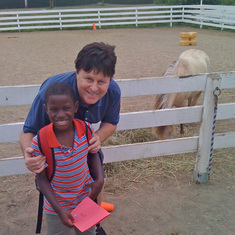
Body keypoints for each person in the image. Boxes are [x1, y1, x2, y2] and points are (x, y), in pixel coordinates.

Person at [20, 42, 121, 235]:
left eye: (101, 81)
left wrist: (97, 138)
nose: (94, 88)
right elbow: (28, 130)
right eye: (88, 79)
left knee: (97, 177)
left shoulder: (113, 92)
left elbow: (111, 122)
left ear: (110, 79)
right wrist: (30, 156)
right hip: (54, 150)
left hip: (85, 143)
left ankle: (92, 223)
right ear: (77, 72)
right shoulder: (53, 93)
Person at [32, 82, 104, 235]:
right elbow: (42, 180)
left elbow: (92, 154)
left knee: (88, 233)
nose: (60, 114)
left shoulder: (85, 129)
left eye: (66, 108)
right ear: (46, 110)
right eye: (53, 109)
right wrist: (59, 210)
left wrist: (99, 179)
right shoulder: (40, 140)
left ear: (75, 107)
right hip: (56, 206)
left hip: (85, 200)